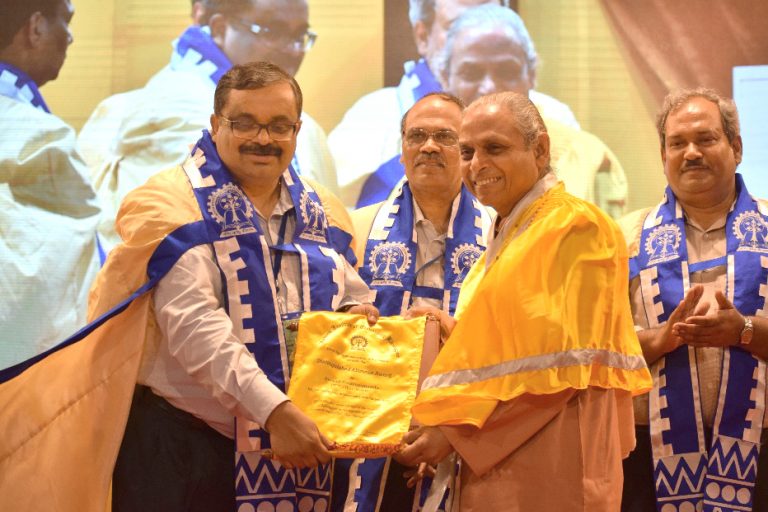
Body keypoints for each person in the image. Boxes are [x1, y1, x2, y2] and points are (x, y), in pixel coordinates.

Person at [87, 61, 378, 512]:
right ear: (215, 124)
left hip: (297, 444)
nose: (263, 139)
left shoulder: (323, 209)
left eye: (278, 126)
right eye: (245, 123)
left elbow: (350, 293)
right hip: (184, 450)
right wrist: (275, 412)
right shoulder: (171, 202)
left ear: (297, 131)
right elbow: (197, 329)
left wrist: (357, 318)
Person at [396, 91, 652, 510]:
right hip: (502, 459)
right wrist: (445, 330)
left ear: (540, 149)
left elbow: (560, 367)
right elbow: (510, 347)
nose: (477, 165)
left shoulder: (575, 226)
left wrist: (452, 434)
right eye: (467, 151)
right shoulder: (513, 229)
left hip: (555, 459)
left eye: (494, 148)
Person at [332, 92, 491, 511]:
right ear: (402, 150)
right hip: (370, 431)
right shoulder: (358, 227)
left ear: (468, 151)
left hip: (467, 435)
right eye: (416, 135)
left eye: (445, 136)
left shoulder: (498, 232)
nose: (429, 146)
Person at [78, 0, 337, 252]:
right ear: (220, 28)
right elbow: (166, 246)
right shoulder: (169, 107)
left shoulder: (308, 128)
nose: (293, 49)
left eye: (300, 35)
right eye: (273, 31)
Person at [619, 88, 768, 512]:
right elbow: (600, 349)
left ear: (736, 148)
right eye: (677, 143)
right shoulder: (624, 238)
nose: (691, 153)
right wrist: (661, 339)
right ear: (662, 154)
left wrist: (744, 331)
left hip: (763, 448)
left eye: (706, 139)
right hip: (649, 455)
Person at [328, 0, 580, 208]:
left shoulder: (558, 121)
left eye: (492, 14)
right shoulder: (370, 119)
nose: (481, 31)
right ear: (423, 36)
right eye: (458, 24)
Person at [0, 0, 101, 369]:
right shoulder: (41, 136)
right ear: (36, 27)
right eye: (66, 21)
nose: (70, 37)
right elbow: (70, 279)